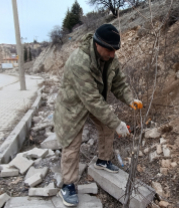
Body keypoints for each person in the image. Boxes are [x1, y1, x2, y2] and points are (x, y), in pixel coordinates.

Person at [53, 24, 143, 207]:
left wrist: (129, 99)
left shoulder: (110, 60)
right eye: (110, 49)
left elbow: (119, 83)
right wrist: (118, 123)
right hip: (73, 104)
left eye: (115, 50)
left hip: (94, 101)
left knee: (107, 125)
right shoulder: (79, 61)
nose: (113, 54)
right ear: (97, 44)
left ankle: (103, 160)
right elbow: (92, 100)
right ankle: (68, 185)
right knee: (72, 143)